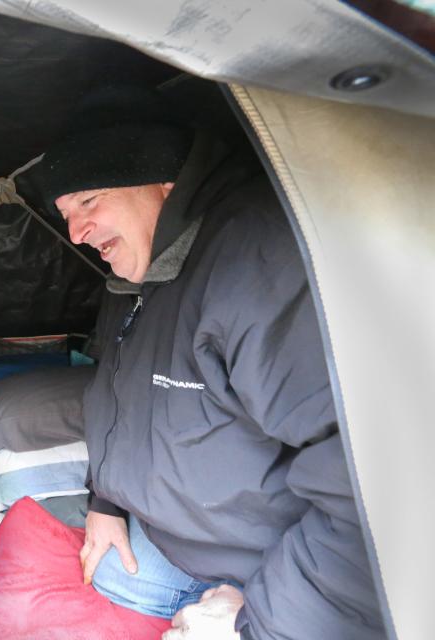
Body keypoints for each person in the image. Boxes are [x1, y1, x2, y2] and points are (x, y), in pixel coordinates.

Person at [38, 110, 384, 639]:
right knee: (96, 581)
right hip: (175, 541)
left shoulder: (256, 262)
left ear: (164, 183)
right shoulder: (138, 278)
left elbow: (373, 491)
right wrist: (103, 501)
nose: (76, 232)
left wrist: (257, 620)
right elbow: (117, 400)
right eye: (65, 213)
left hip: (276, 570)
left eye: (88, 201)